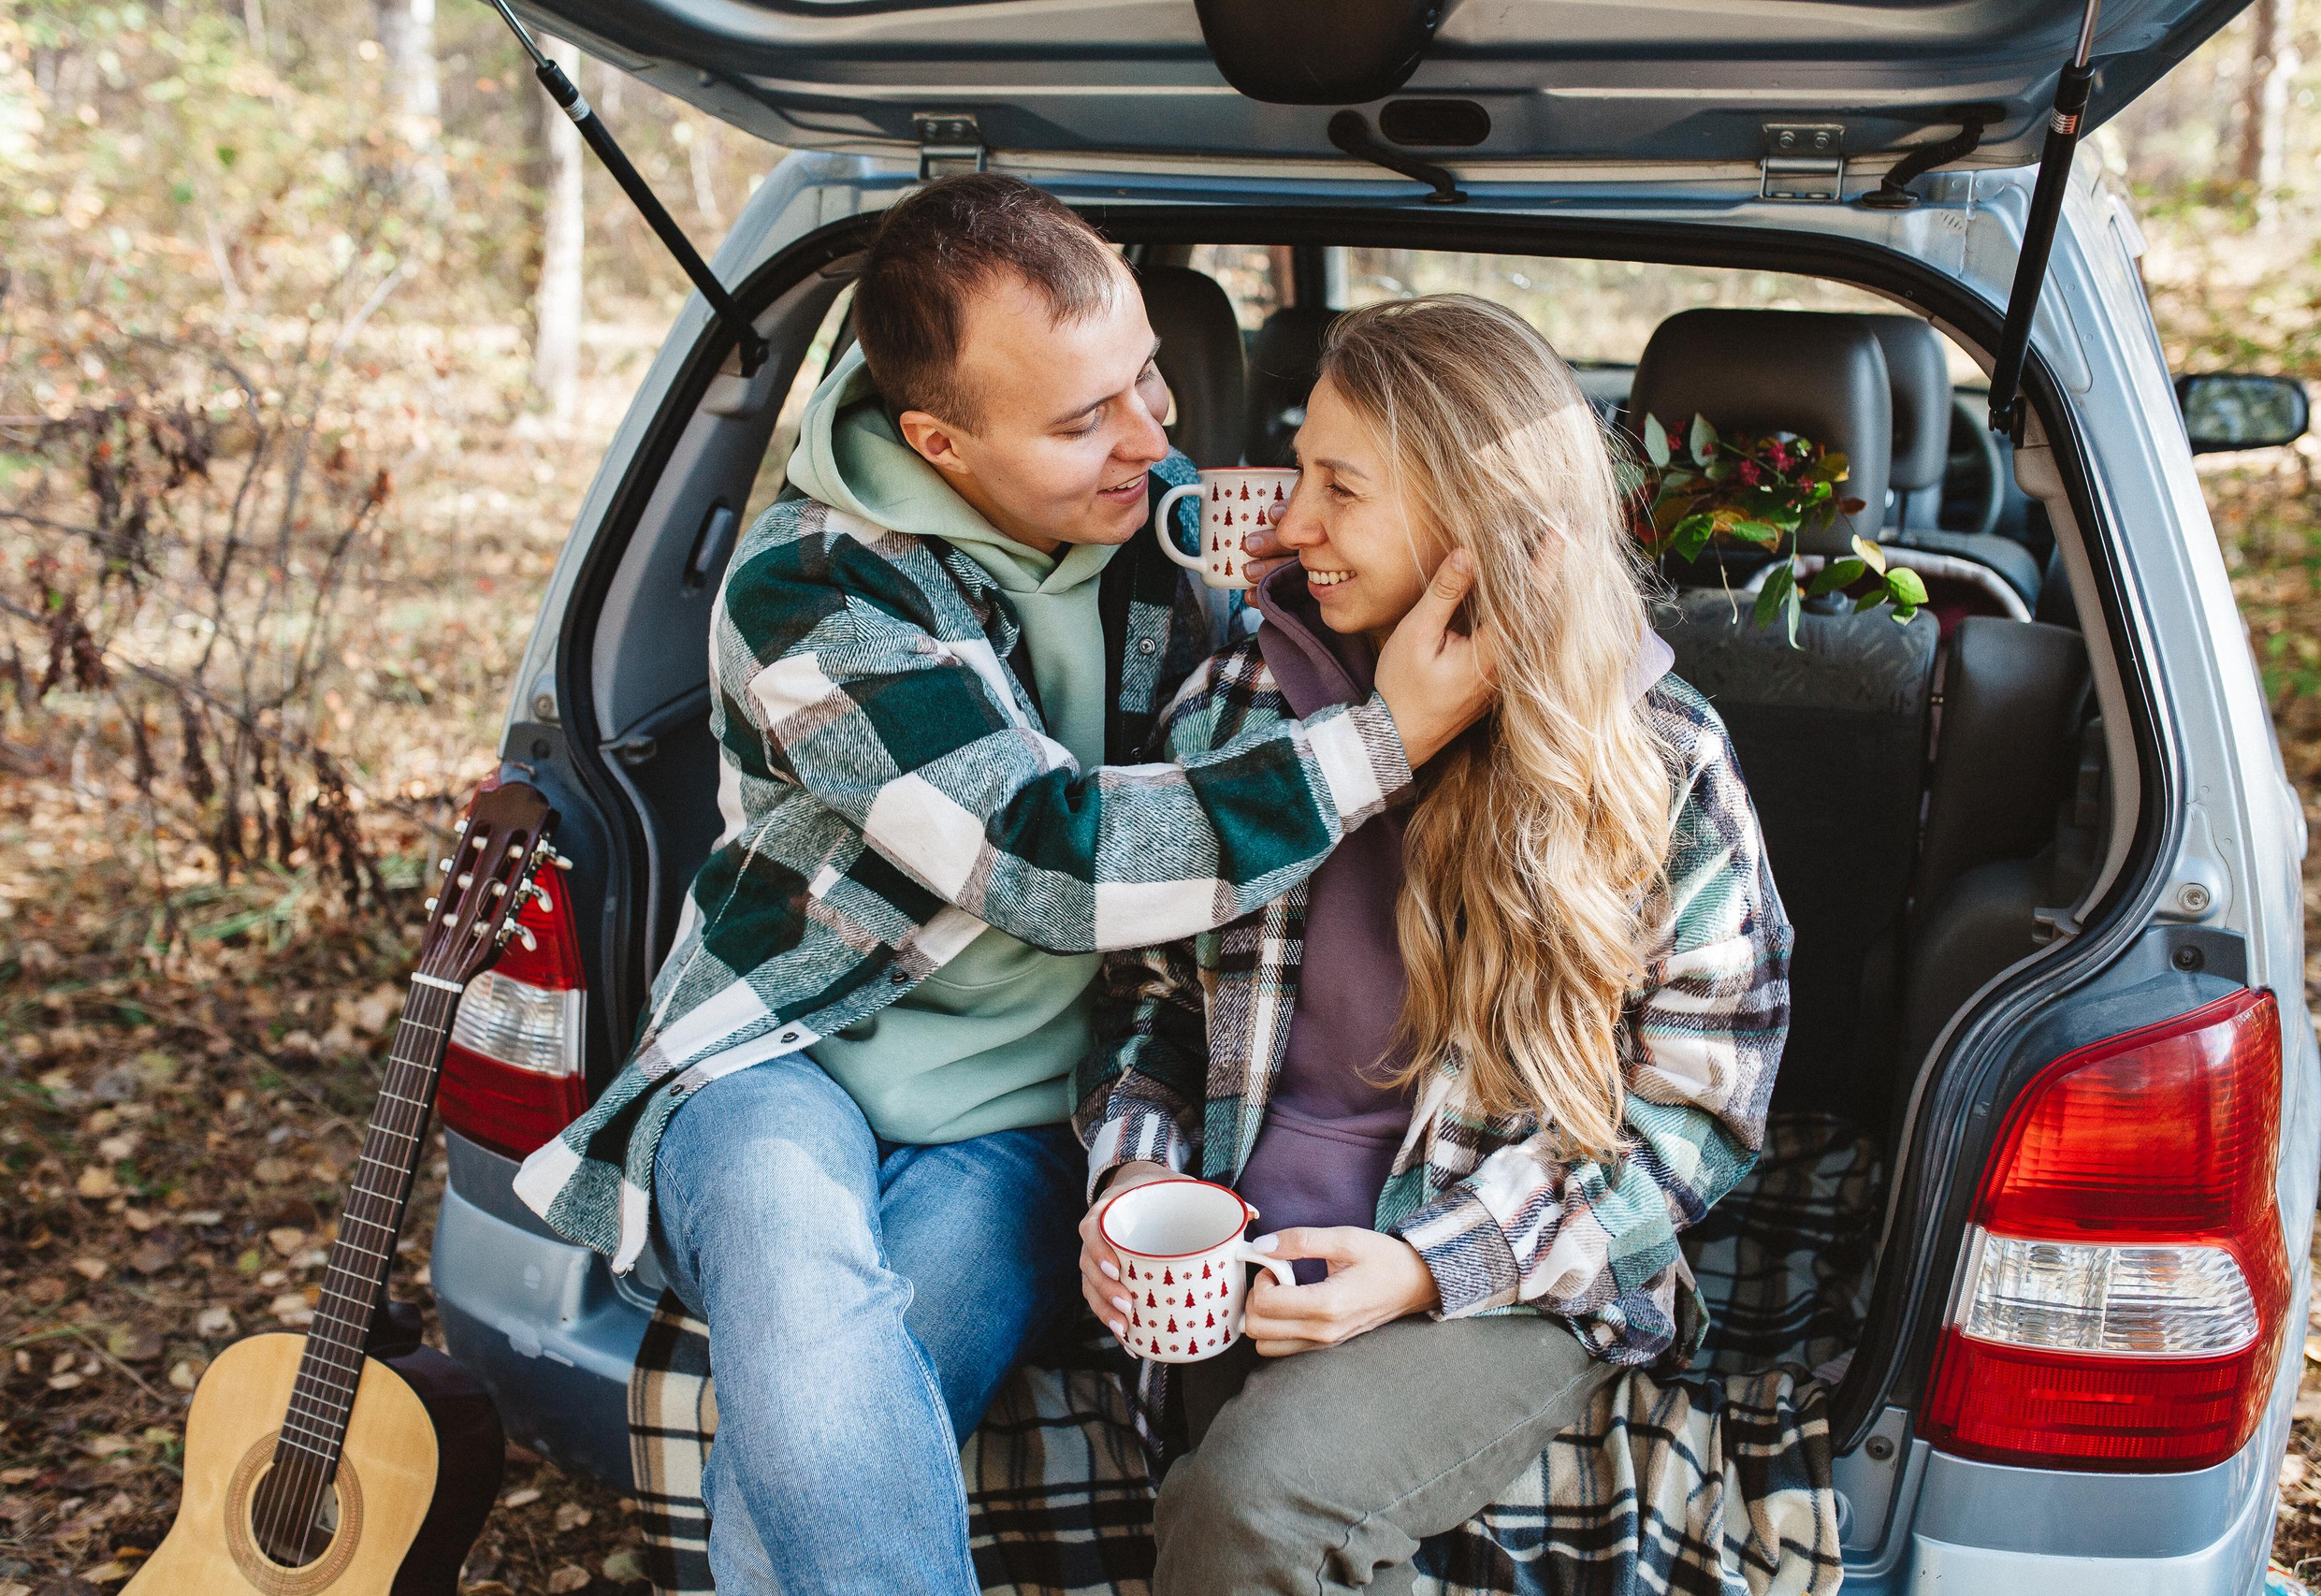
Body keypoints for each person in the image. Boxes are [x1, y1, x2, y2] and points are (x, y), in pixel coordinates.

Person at [512, 176, 1491, 1595]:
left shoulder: (1156, 527)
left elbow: (1281, 654)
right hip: (787, 1052)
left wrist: (1320, 582)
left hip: (1026, 1111)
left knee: (821, 1429)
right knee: (800, 1286)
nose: (1154, 439)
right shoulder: (814, 593)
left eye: (1148, 376)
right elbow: (1050, 854)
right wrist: (1381, 740)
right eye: (1084, 418)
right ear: (939, 440)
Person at [1074, 294, 1794, 1596]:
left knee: (1247, 1510)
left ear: (1473, 525)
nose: (1288, 525)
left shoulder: (1654, 760)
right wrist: (1133, 1176)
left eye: (1338, 488)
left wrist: (1422, 1267)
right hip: (1242, 1251)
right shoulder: (1231, 707)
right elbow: (1147, 1006)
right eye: (1300, 472)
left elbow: (1701, 1107)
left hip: (1506, 1268)